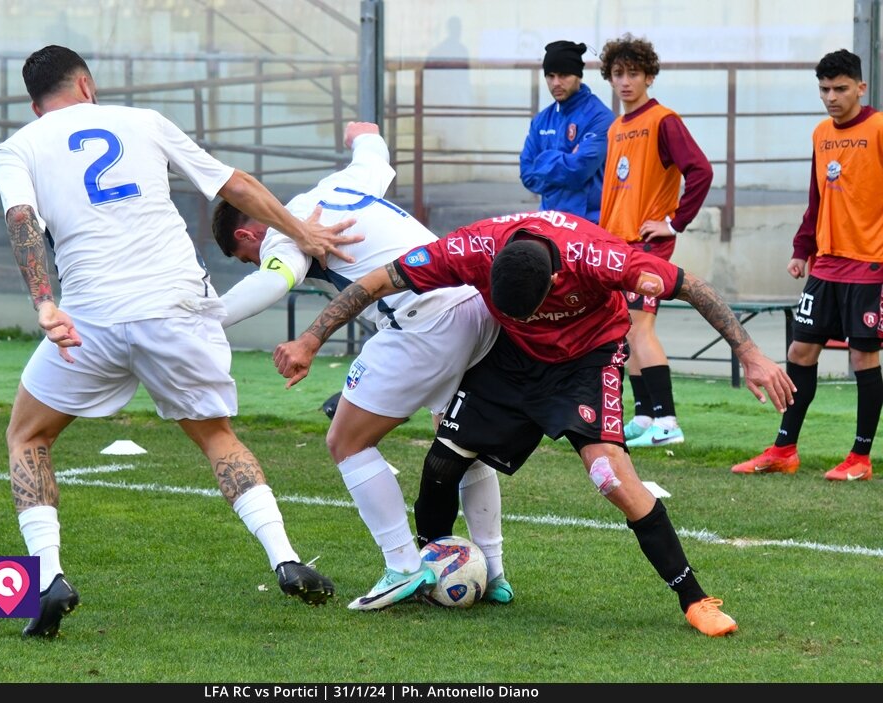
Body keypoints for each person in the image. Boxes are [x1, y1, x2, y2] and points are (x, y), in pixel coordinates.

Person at [273, 208, 796, 637]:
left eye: (530, 307)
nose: (522, 312)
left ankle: (695, 598)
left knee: (611, 477)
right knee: (441, 463)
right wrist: (311, 339)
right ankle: (438, 568)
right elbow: (378, 280)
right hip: (512, 360)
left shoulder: (601, 258)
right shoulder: (473, 246)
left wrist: (749, 352)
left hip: (587, 361)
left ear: (554, 279)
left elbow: (693, 287)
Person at [0, 45, 357, 637]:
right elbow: (233, 185)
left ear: (37, 107)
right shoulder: (143, 121)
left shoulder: (17, 148)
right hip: (177, 309)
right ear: (86, 85)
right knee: (217, 438)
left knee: (27, 434)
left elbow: (21, 221)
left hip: (92, 319)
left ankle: (49, 576)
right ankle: (286, 559)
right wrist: (303, 232)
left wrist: (44, 303)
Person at [212, 121, 509, 610]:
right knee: (460, 440)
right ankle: (493, 572)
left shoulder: (285, 235)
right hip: (473, 307)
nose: (256, 259)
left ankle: (402, 566)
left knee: (346, 441)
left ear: (248, 233)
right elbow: (376, 158)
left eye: (247, 255)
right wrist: (362, 133)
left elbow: (273, 281)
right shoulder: (340, 186)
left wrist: (204, 321)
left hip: (423, 322)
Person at [732, 49, 883, 481]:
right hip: (827, 265)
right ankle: (783, 448)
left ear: (861, 87)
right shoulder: (820, 133)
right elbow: (816, 198)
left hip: (870, 263)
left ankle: (860, 457)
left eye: (840, 88)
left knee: (862, 357)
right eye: (824, 89)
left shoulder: (878, 128)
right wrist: (802, 249)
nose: (831, 97)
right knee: (800, 351)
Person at [598, 34, 714, 448]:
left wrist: (674, 222)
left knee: (639, 328)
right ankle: (645, 415)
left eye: (633, 73)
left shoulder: (663, 120)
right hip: (619, 245)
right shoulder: (616, 127)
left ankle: (668, 421)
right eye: (617, 74)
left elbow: (700, 171)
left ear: (649, 76)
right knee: (626, 329)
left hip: (648, 245)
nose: (625, 81)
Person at [519, 40, 615, 224]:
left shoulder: (600, 118)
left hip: (590, 224)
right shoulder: (541, 120)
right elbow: (527, 174)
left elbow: (579, 169)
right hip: (549, 221)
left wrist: (542, 160)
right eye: (550, 76)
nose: (556, 83)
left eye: (563, 75)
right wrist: (566, 160)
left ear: (578, 76)